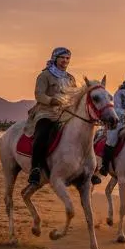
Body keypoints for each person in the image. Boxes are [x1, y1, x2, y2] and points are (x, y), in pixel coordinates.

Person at [25, 46, 74, 188]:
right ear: (55, 58)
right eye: (62, 58)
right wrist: (52, 100)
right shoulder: (45, 75)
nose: (65, 60)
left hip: (65, 114)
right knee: (43, 133)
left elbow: (74, 96)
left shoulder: (70, 78)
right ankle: (35, 169)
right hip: (46, 112)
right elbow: (39, 95)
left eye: (67, 58)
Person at [99, 71, 125, 176]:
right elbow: (117, 109)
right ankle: (105, 165)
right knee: (112, 138)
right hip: (120, 122)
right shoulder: (120, 93)